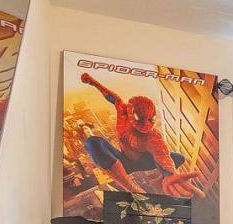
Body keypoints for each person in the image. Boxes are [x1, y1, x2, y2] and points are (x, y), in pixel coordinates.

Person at [78, 71, 207, 197]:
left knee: (178, 157)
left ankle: (159, 178)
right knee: (92, 142)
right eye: (140, 119)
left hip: (144, 161)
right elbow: (112, 97)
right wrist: (93, 83)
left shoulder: (153, 137)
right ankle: (133, 189)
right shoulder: (123, 111)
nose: (146, 125)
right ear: (130, 113)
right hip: (124, 162)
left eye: (150, 120)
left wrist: (169, 175)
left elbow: (162, 154)